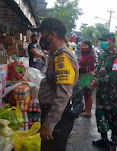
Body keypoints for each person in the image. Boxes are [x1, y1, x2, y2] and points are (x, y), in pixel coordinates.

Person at [35, 17, 79, 151]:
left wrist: (49, 124)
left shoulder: (62, 57)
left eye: (43, 35)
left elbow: (63, 94)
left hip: (57, 119)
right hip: (56, 116)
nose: (41, 39)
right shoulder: (57, 54)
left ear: (52, 35)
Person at [93, 33, 117, 149]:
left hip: (113, 94)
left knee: (114, 116)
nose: (103, 42)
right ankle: (104, 139)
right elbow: (98, 70)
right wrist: (94, 79)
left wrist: (100, 81)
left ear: (113, 42)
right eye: (101, 40)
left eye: (105, 40)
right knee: (100, 114)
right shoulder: (102, 55)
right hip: (100, 93)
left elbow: (116, 75)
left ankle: (114, 138)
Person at [79, 41, 96, 116]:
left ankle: (88, 111)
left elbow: (91, 67)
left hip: (88, 76)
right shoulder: (84, 55)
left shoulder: (91, 55)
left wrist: (81, 68)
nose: (83, 47)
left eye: (85, 45)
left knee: (89, 93)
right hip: (84, 76)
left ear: (89, 47)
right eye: (83, 45)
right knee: (86, 93)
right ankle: (86, 108)